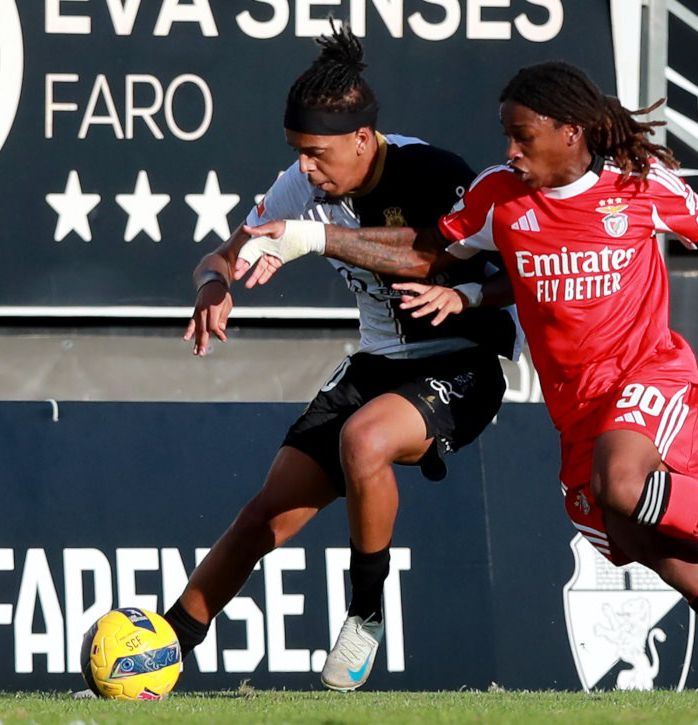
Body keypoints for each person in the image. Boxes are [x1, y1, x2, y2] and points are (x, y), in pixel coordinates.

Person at [242, 61, 698, 702]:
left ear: (570, 134)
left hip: (651, 378)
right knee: (661, 555)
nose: (511, 151)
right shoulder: (499, 195)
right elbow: (425, 250)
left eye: (522, 136)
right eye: (507, 135)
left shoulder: (640, 185)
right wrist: (313, 236)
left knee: (622, 479)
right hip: (577, 413)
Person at [166, 24, 516, 692]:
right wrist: (214, 284)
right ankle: (164, 649)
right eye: (297, 153)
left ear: (363, 138)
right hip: (376, 367)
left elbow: (428, 255)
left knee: (364, 440)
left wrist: (313, 237)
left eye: (317, 153)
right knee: (263, 516)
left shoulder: (435, 175)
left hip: (462, 363)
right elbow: (218, 255)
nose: (305, 169)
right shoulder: (303, 189)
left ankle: (366, 610)